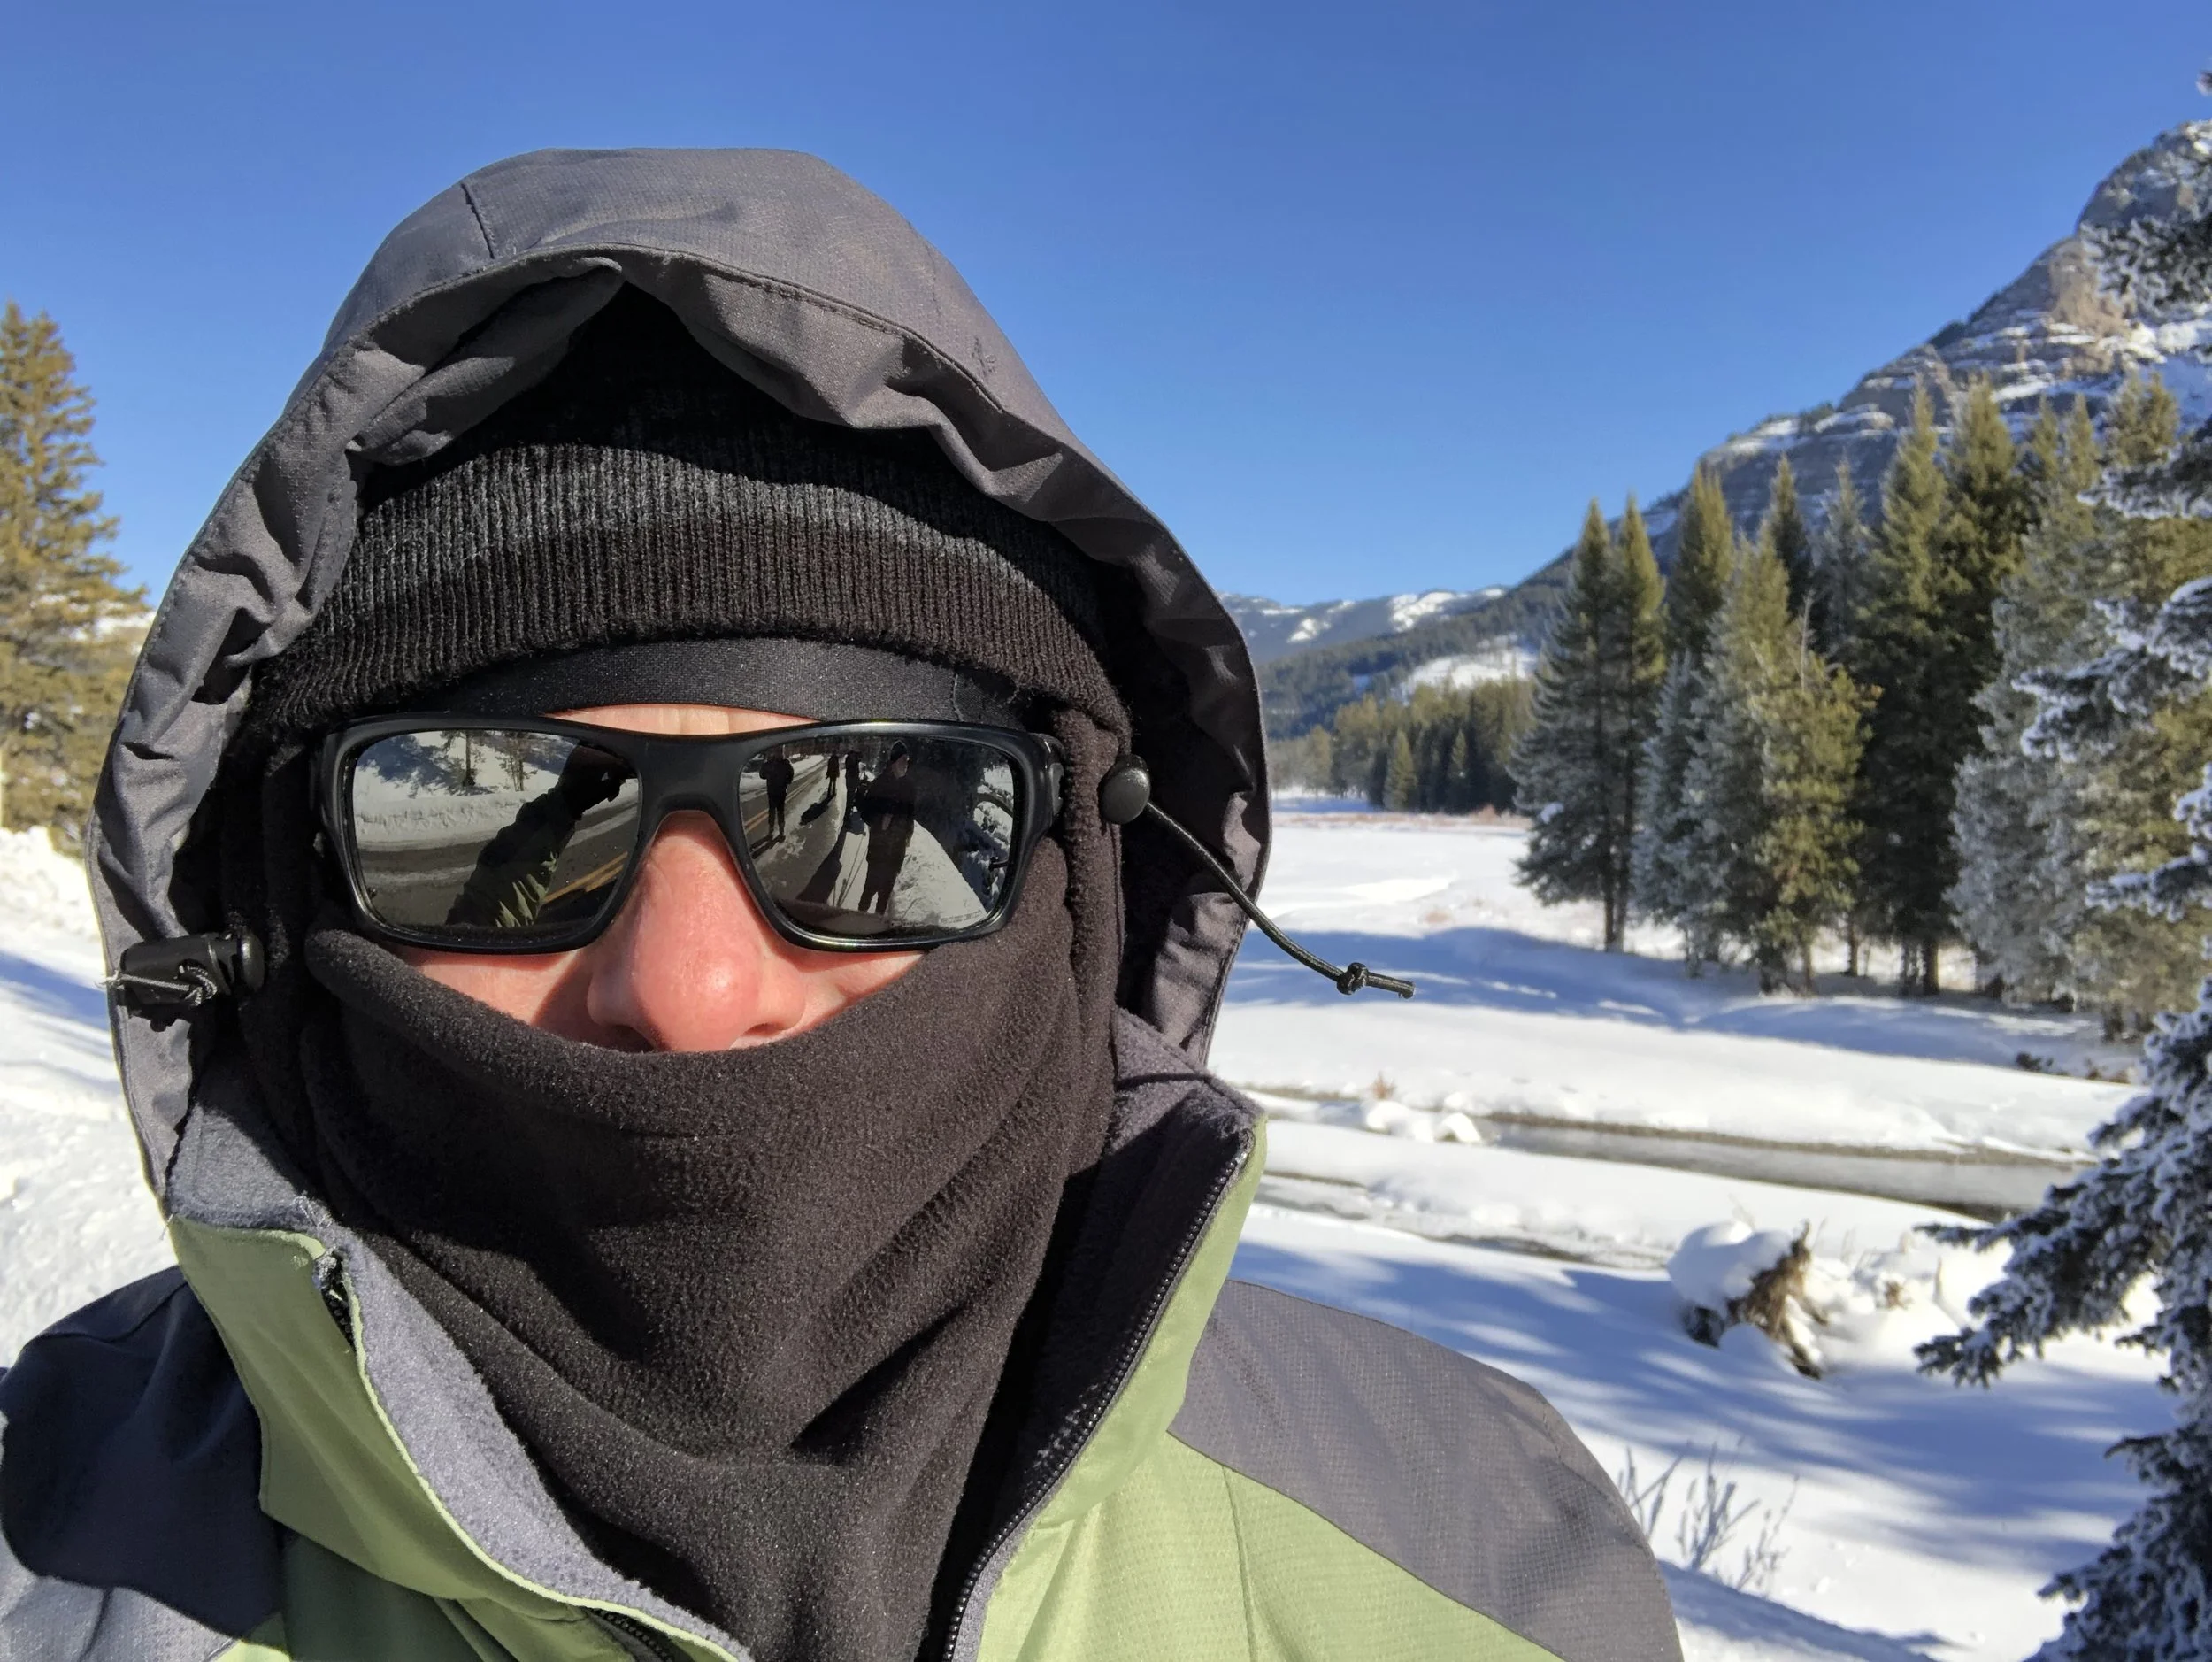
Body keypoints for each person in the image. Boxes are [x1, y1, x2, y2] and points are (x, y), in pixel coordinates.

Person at [0, 150, 1680, 1662]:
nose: (689, 987)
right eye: (494, 811)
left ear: (1078, 875)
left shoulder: (1487, 1565)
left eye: (882, 817)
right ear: (278, 892)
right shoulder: (45, 1560)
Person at [856, 743, 918, 915]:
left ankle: (877, 925)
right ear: (894, 761)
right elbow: (865, 813)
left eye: (907, 761)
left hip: (896, 853)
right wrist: (880, 820)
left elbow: (910, 815)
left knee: (884, 897)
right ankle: (858, 921)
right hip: (878, 851)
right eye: (903, 760)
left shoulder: (909, 787)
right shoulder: (879, 784)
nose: (906, 764)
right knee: (868, 892)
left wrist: (908, 832)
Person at [757, 748, 797, 843]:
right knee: (778, 812)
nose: (780, 753)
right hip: (778, 792)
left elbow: (762, 775)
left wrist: (767, 770)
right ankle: (777, 832)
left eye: (780, 752)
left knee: (775, 811)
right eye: (779, 751)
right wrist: (787, 782)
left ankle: (775, 832)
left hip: (775, 792)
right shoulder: (784, 763)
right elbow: (762, 775)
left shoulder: (772, 763)